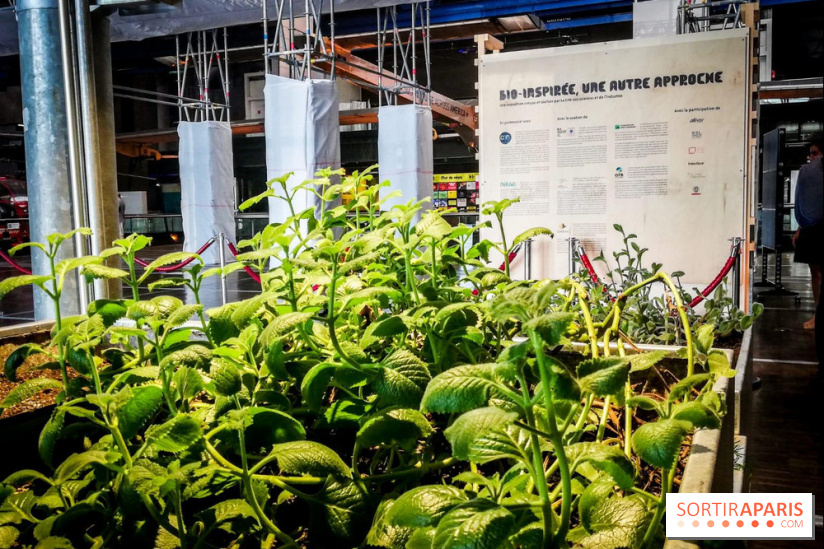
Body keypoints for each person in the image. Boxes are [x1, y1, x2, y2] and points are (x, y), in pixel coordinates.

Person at [792, 141, 823, 329]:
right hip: (813, 228)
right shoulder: (810, 174)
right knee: (816, 273)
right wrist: (800, 228)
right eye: (810, 154)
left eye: (815, 153)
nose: (812, 158)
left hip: (817, 228)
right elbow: (805, 204)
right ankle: (817, 315)